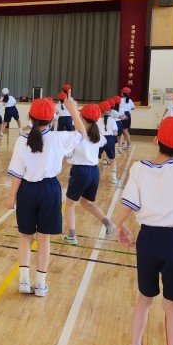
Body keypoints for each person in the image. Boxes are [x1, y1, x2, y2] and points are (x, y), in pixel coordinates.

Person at [112, 116, 173, 345]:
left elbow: (126, 207)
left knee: (144, 298)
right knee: (172, 305)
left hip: (147, 238)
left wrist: (120, 226)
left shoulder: (139, 168)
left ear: (156, 140)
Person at [6, 95, 85, 297]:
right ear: (53, 118)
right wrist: (72, 109)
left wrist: (12, 195)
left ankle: (24, 281)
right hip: (50, 190)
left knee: (25, 236)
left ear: (29, 117)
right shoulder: (58, 138)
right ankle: (40, 284)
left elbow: (17, 173)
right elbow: (82, 133)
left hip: (26, 190)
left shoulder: (21, 140)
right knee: (44, 238)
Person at [62, 104, 116, 245]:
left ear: (81, 118)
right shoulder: (98, 135)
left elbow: (67, 153)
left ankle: (71, 235)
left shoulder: (77, 136)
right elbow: (102, 142)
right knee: (86, 202)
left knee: (70, 204)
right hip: (94, 172)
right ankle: (108, 224)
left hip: (80, 172)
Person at [97, 100, 119, 184]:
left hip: (99, 140)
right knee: (112, 160)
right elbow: (115, 133)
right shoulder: (112, 120)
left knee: (94, 159)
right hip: (109, 140)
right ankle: (114, 178)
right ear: (109, 110)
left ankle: (94, 177)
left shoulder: (97, 120)